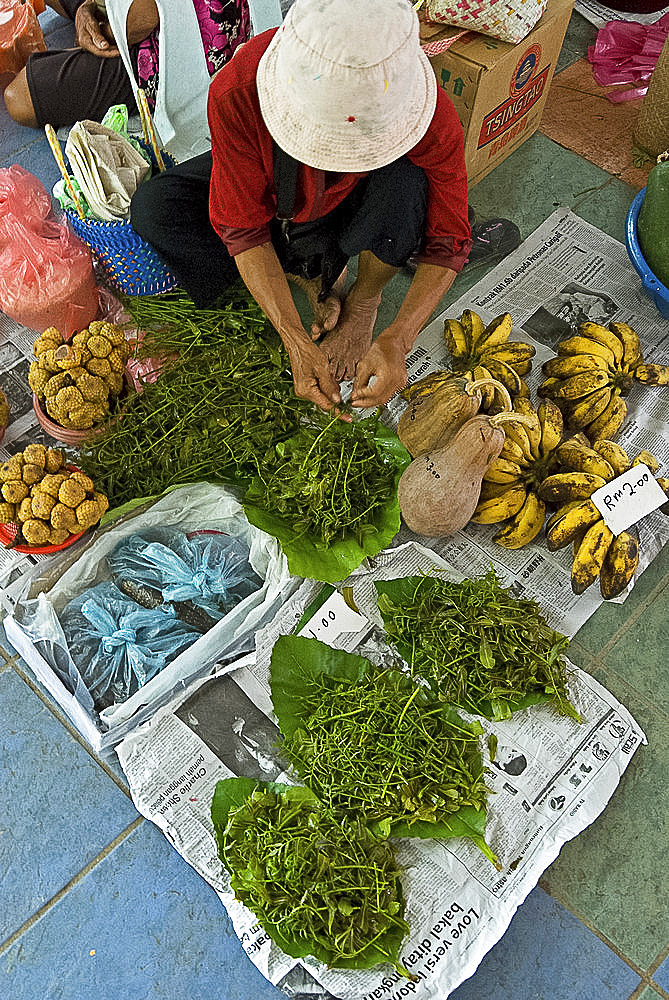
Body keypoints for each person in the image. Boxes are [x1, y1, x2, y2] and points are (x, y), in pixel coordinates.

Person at [130, 0, 474, 413]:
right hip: (283, 199)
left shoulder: (424, 108)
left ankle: (362, 301)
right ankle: (308, 274)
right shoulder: (239, 90)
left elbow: (448, 239)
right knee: (156, 208)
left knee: (408, 181)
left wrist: (398, 338)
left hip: (360, 207)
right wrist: (293, 336)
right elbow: (243, 228)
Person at [3, 0, 249, 128]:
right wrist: (85, 10)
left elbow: (143, 20)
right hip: (143, 17)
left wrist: (96, 36)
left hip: (184, 44)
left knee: (20, 98)